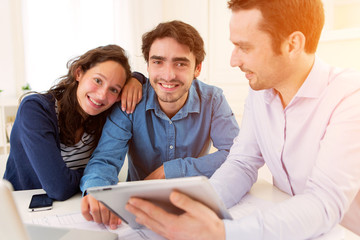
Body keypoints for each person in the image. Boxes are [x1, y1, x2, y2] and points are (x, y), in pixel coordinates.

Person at [125, 0, 360, 239]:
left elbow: (324, 200)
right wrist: (193, 210)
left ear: (292, 44)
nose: (233, 60)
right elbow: (242, 163)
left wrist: (222, 232)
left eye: (244, 47)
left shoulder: (350, 97)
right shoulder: (260, 93)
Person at [80, 20, 239, 228]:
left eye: (180, 63)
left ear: (197, 68)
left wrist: (171, 170)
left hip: (194, 207)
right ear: (147, 65)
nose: (168, 75)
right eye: (158, 62)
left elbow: (236, 154)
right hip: (136, 210)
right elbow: (105, 160)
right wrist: (96, 192)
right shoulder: (130, 102)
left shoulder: (213, 100)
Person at [3, 45, 142, 201]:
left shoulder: (104, 114)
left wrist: (137, 79)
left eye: (114, 90)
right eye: (97, 80)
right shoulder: (35, 109)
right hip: (25, 209)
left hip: (74, 207)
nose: (102, 95)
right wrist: (92, 174)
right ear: (79, 73)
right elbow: (58, 188)